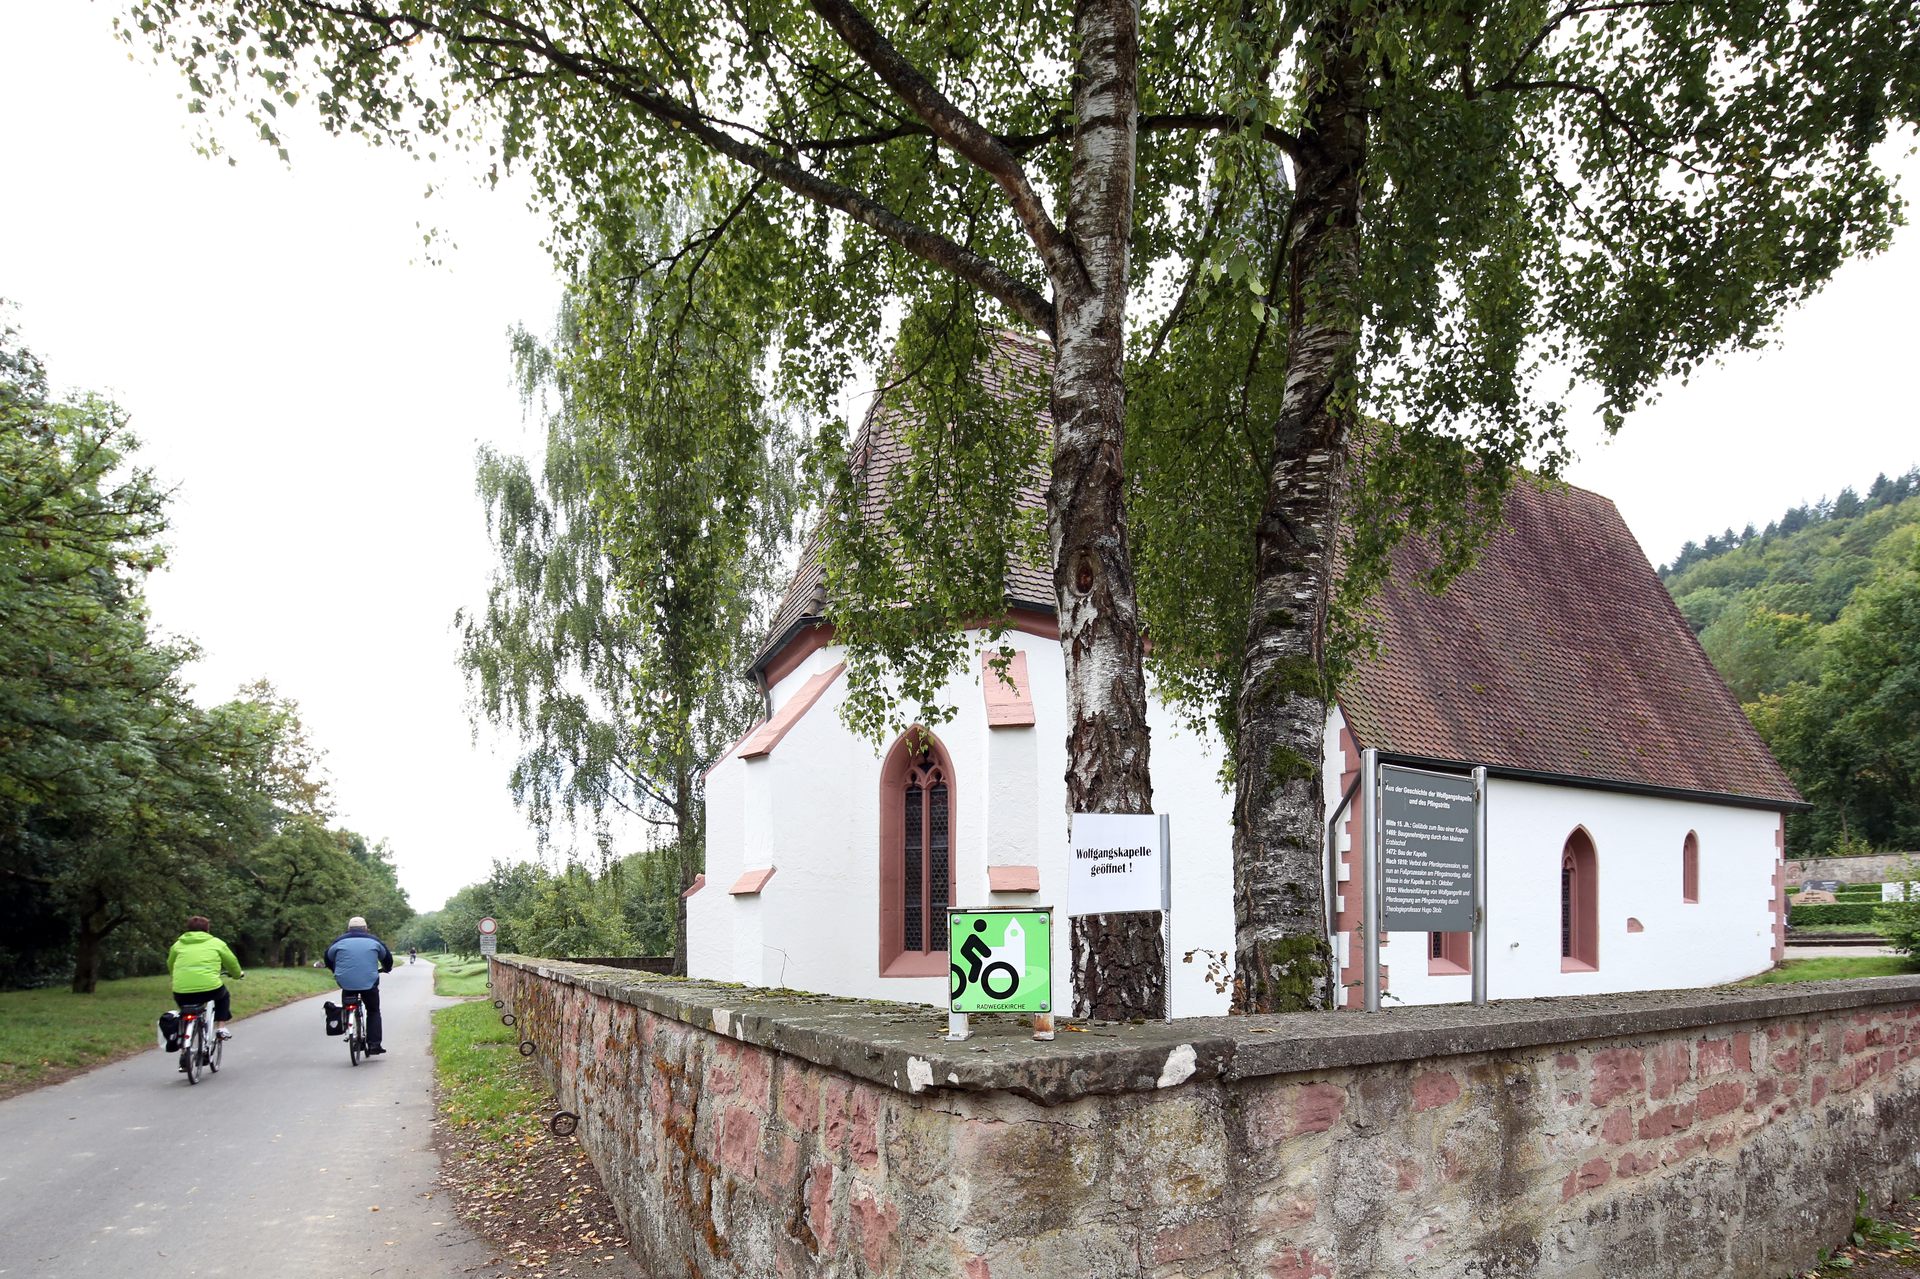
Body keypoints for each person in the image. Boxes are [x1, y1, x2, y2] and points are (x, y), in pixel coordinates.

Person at [167, 916, 244, 1049]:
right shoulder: (216, 943)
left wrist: (175, 977)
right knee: (223, 996)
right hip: (210, 989)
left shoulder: (178, 945)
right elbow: (231, 962)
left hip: (182, 990)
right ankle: (221, 1028)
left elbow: (170, 963)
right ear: (207, 929)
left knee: (186, 1012)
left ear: (188, 929)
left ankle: (184, 1050)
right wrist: (237, 975)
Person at [324, 916, 394, 1056]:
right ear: (366, 928)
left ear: (349, 928)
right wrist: (386, 968)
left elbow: (328, 959)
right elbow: (387, 958)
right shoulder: (374, 941)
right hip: (369, 982)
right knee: (373, 1011)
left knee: (348, 1000)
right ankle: (374, 1044)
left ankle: (348, 1021)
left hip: (346, 981)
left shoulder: (339, 941)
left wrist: (336, 971)